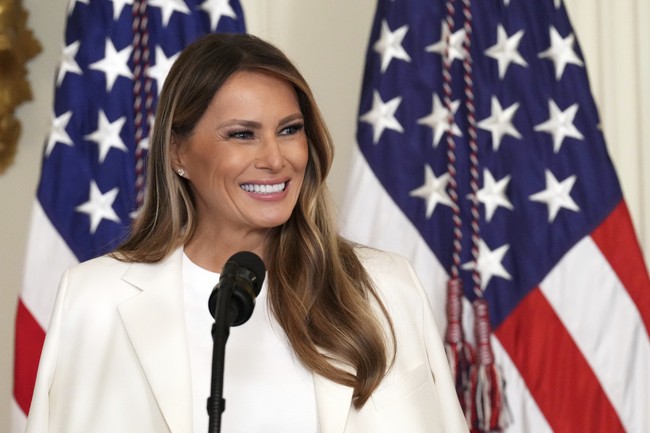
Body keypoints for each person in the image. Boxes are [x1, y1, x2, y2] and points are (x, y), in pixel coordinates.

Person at [25, 33, 469, 433]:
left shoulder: (386, 288)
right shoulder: (93, 300)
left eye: (289, 130)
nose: (275, 159)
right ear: (178, 152)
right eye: (242, 135)